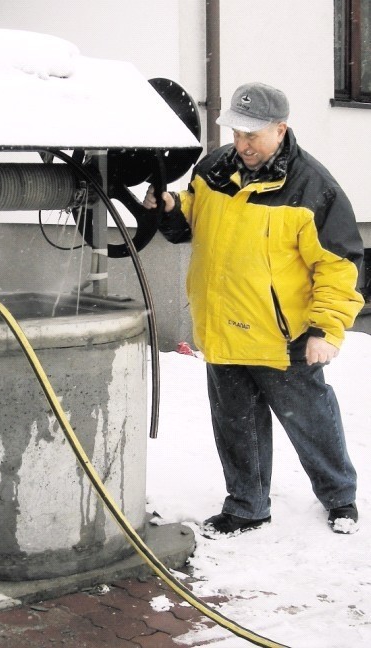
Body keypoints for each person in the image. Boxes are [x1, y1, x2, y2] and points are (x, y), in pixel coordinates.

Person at [144, 82, 365, 537]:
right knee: (235, 427)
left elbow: (338, 265)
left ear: (281, 129)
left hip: (284, 336)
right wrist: (169, 206)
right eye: (237, 132)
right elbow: (190, 221)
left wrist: (326, 328)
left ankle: (340, 496)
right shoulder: (212, 170)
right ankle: (247, 506)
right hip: (222, 326)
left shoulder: (313, 188)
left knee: (311, 423)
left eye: (253, 135)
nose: (242, 144)